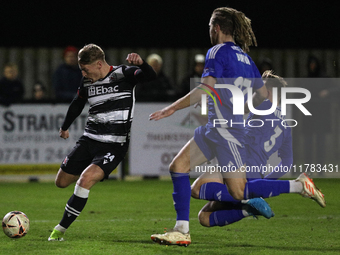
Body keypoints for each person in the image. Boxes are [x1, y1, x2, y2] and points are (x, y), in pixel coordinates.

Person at [149, 7, 270, 246]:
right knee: (178, 166)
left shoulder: (216, 51)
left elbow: (206, 88)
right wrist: (240, 109)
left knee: (238, 192)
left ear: (215, 28)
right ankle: (181, 230)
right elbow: (263, 95)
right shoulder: (247, 58)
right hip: (216, 129)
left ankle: (289, 188)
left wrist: (172, 108)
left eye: (209, 29)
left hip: (227, 132)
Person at [48, 44, 156, 241]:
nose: (83, 73)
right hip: (89, 139)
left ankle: (59, 230)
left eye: (85, 69)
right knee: (61, 182)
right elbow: (77, 102)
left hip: (114, 144)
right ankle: (89, 174)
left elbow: (150, 77)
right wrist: (65, 127)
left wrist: (143, 63)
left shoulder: (125, 73)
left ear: (99, 64)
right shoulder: (88, 81)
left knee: (85, 180)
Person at [190, 71, 325, 228]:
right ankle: (248, 208)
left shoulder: (261, 104)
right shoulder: (286, 126)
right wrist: (263, 183)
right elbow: (287, 162)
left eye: (260, 85)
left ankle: (250, 197)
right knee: (205, 217)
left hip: (238, 162)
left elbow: (230, 106)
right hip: (256, 173)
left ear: (267, 90)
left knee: (196, 189)